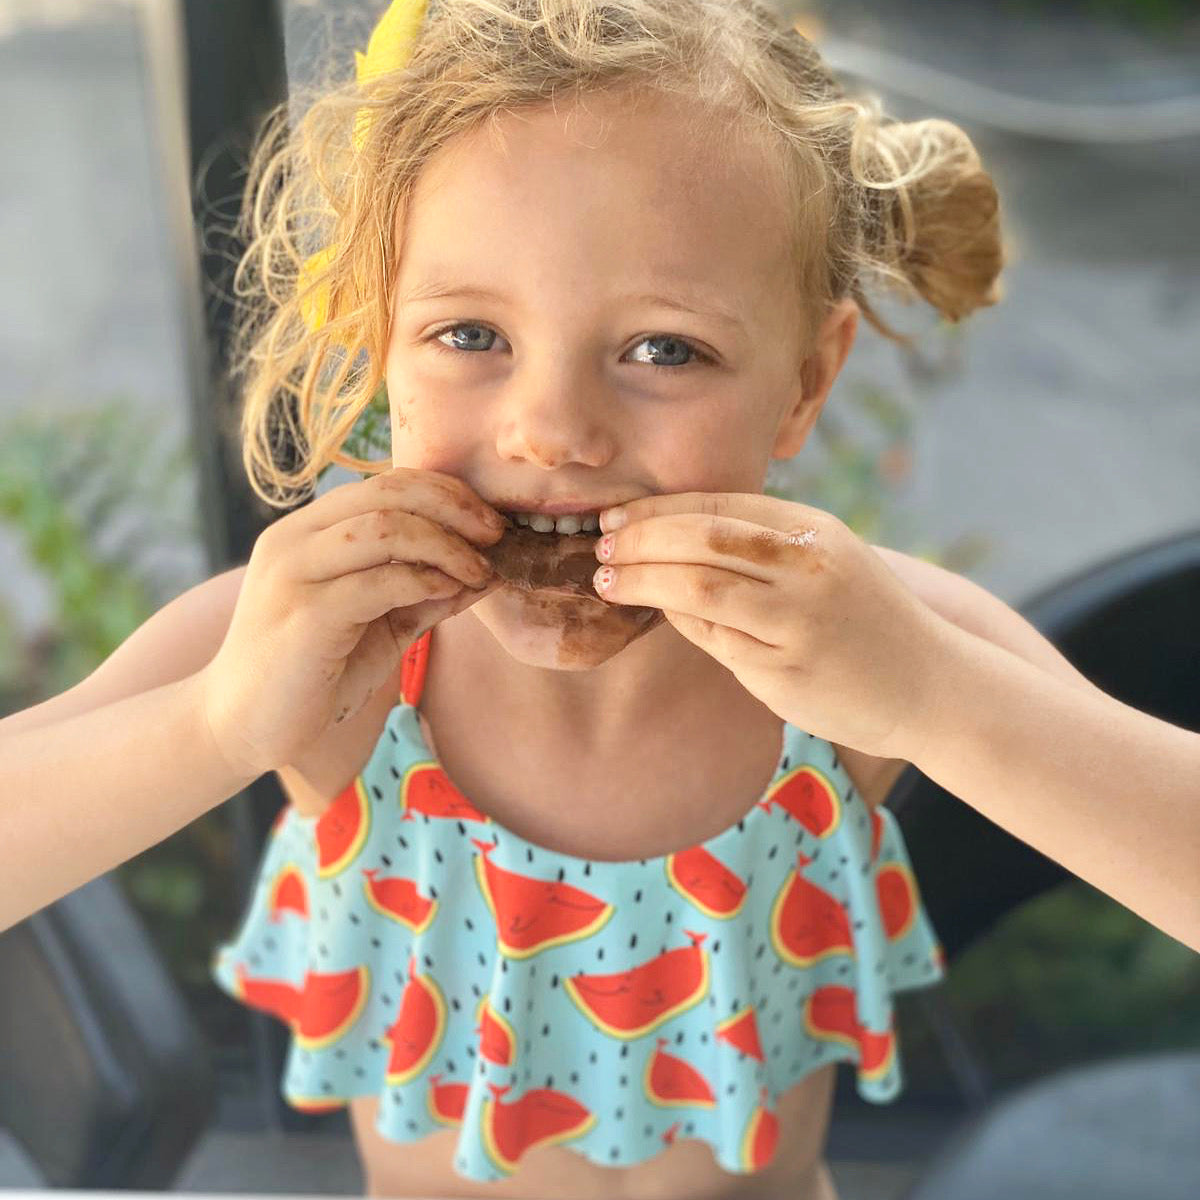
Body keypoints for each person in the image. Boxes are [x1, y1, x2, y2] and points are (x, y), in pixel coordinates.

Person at [1, 0, 1196, 1196]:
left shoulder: (872, 659)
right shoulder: (313, 661)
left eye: (663, 350)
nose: (556, 431)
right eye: (471, 332)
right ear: (378, 341)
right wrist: (211, 726)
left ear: (802, 381)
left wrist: (940, 699)